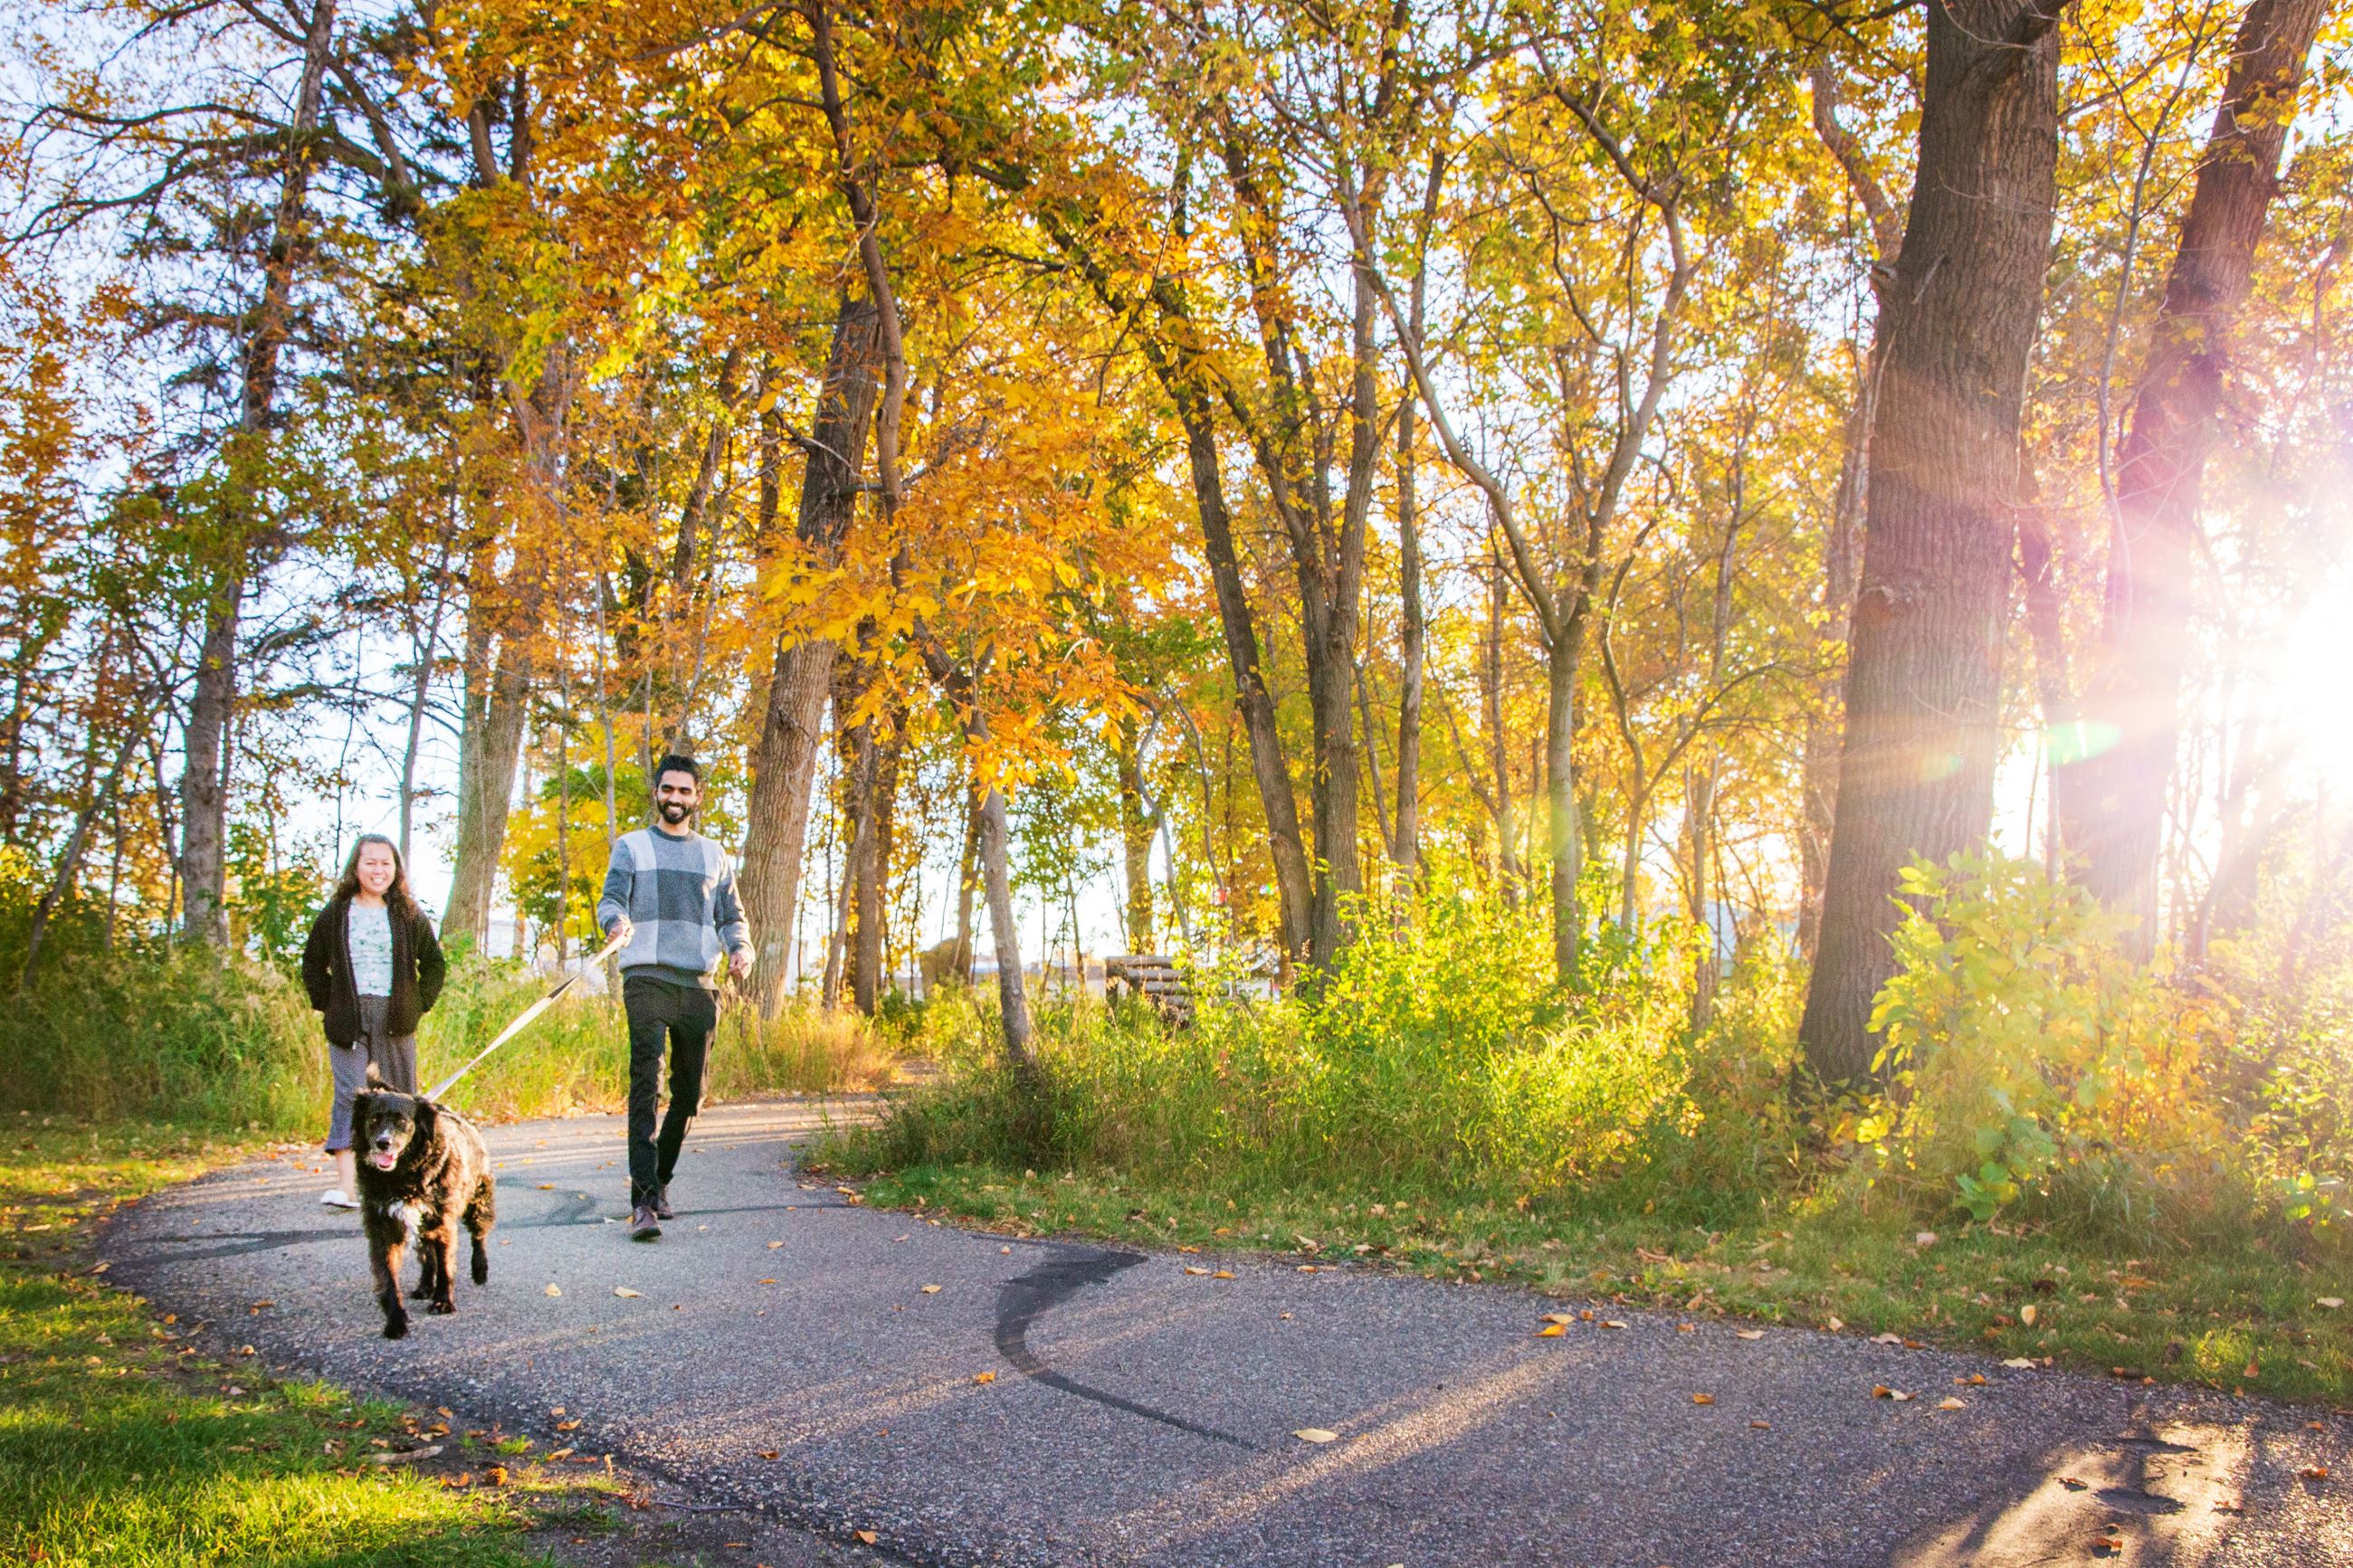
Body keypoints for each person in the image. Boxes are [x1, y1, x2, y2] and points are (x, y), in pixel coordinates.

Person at [596, 754, 752, 1240]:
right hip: (645, 976)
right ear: (656, 793)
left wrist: (740, 949)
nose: (676, 799)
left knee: (690, 1095)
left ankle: (659, 1181)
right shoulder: (632, 846)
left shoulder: (714, 854)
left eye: (685, 791)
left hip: (699, 985)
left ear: (698, 797)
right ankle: (642, 1202)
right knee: (646, 1085)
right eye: (668, 790)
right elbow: (611, 899)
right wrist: (616, 923)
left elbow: (731, 916)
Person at [302, 833, 446, 1210]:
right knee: (351, 1096)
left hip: (396, 1015)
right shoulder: (335, 914)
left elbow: (434, 965)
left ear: (395, 868)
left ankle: (401, 1187)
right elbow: (312, 965)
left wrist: (418, 1004)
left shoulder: (407, 915)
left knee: (401, 1099)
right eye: (370, 862)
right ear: (356, 866)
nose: (377, 870)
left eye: (385, 863)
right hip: (348, 1017)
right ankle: (348, 1190)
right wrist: (329, 1004)